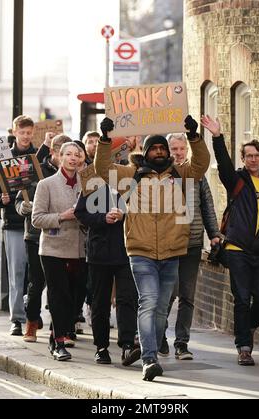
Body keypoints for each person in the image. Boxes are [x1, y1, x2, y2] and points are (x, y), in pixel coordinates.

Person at [94, 115, 210, 381]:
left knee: (160, 309)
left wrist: (194, 136)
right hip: (141, 251)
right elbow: (102, 169)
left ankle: (146, 347)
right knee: (148, 302)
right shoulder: (130, 175)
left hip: (172, 252)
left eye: (162, 149)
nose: (159, 152)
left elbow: (202, 163)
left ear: (168, 153)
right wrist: (104, 140)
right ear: (145, 153)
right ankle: (149, 359)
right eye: (154, 149)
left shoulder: (181, 174)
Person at [201, 115, 259, 366]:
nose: (253, 159)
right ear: (243, 159)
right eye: (248, 156)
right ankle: (244, 347)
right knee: (241, 298)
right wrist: (218, 137)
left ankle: (249, 327)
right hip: (237, 248)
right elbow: (223, 163)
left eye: (257, 155)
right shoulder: (236, 180)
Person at [159, 133, 221, 359]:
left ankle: (181, 343)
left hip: (193, 243)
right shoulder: (160, 175)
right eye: (173, 149)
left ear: (187, 150)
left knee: (187, 295)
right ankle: (159, 337)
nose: (177, 153)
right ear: (166, 151)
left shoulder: (197, 175)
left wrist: (214, 234)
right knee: (169, 293)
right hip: (167, 244)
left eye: (181, 149)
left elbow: (207, 206)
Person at [75, 183, 139, 366]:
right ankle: (101, 347)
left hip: (126, 251)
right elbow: (81, 213)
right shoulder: (92, 183)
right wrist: (103, 218)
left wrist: (124, 215)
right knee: (100, 302)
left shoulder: (129, 179)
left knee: (127, 299)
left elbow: (143, 212)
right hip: (99, 253)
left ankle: (127, 344)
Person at [15, 134, 72, 342]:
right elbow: (20, 199)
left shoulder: (74, 174)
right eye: (62, 153)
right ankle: (31, 322)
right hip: (36, 235)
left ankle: (59, 328)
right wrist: (23, 207)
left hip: (64, 235)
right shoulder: (35, 170)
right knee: (36, 282)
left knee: (61, 285)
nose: (67, 158)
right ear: (54, 153)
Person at [32, 142, 86, 361]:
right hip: (53, 248)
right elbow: (36, 219)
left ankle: (61, 336)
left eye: (77, 155)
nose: (73, 158)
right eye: (69, 154)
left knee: (74, 298)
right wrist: (62, 216)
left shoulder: (88, 183)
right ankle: (58, 342)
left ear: (82, 159)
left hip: (79, 249)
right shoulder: (46, 184)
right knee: (58, 295)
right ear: (59, 157)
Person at [0, 115, 37, 335]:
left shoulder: (38, 156)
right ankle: (17, 318)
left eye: (29, 133)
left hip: (36, 222)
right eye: (22, 132)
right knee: (17, 270)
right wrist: (1, 199)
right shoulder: (2, 157)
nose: (26, 136)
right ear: (15, 132)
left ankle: (32, 312)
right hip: (14, 223)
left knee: (35, 273)